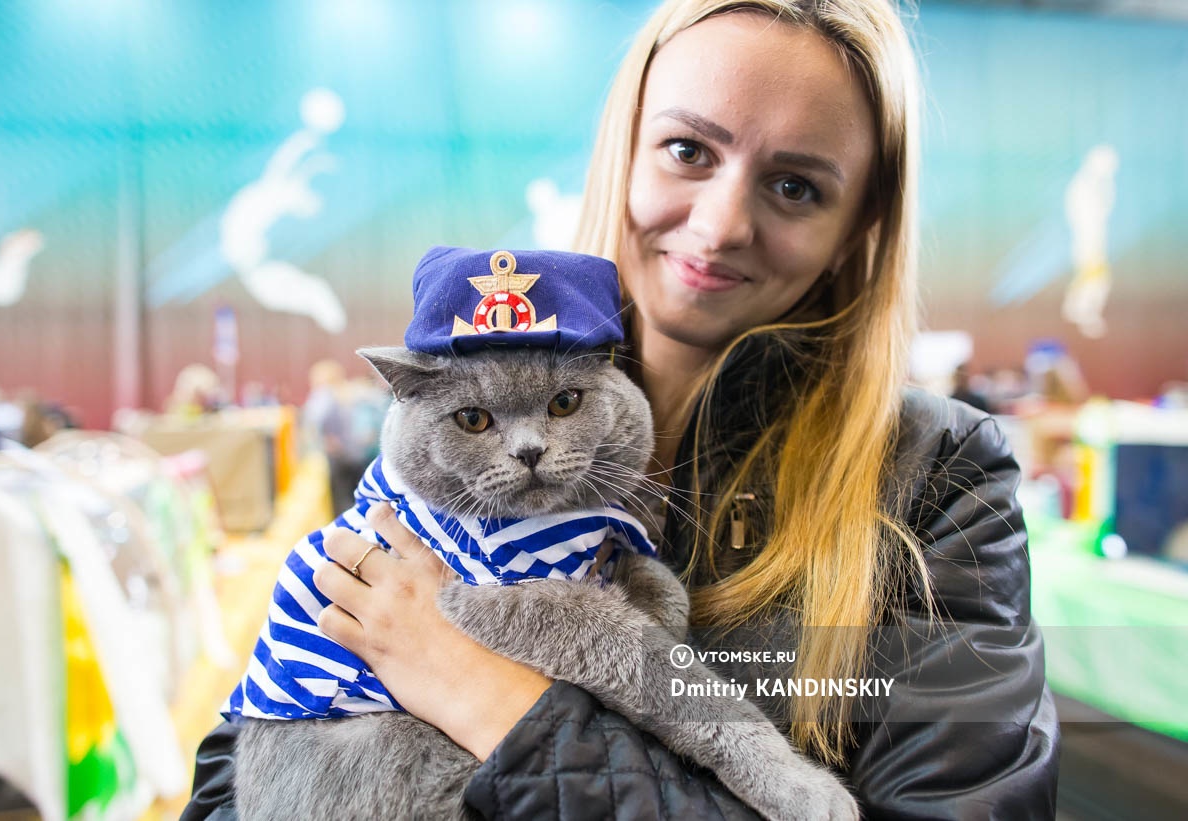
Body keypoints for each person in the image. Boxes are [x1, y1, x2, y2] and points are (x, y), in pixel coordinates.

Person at [183, 0, 1060, 818]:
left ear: (857, 226)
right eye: (689, 150)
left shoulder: (937, 475)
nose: (720, 226)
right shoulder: (460, 391)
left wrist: (494, 703)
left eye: (795, 186)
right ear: (624, 149)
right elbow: (242, 770)